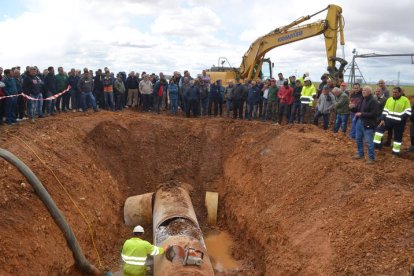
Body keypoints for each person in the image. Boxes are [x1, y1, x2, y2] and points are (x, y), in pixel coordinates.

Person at [373, 87, 411, 156]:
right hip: (388, 121)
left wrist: (400, 119)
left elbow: (408, 111)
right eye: (393, 92)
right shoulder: (389, 99)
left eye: (396, 92)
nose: (394, 93)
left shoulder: (405, 100)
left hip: (399, 123)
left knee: (397, 137)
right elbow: (385, 110)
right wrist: (383, 119)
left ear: (400, 93)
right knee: (378, 131)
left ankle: (395, 153)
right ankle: (377, 147)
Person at [349, 86, 379, 164]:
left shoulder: (373, 101)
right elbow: (358, 110)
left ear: (369, 91)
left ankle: (371, 158)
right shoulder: (362, 99)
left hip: (368, 123)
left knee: (369, 141)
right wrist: (352, 108)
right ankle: (360, 153)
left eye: (365, 90)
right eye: (363, 90)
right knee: (358, 139)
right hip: (359, 122)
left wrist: (362, 114)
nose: (363, 91)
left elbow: (374, 114)